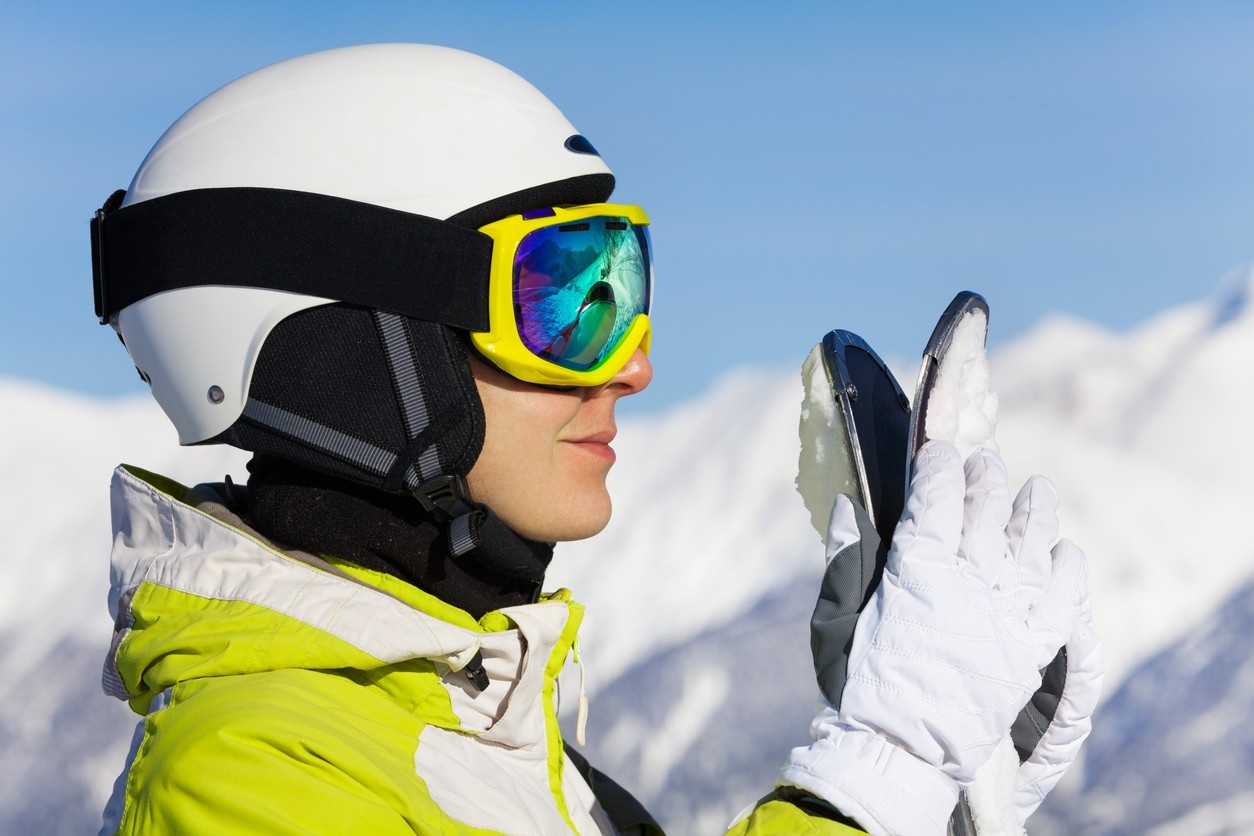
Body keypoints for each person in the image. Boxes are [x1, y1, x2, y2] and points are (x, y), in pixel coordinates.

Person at [90, 44, 1099, 835]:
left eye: (621, 286)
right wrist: (880, 774)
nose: (630, 366)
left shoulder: (489, 734)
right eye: (562, 300)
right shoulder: (242, 778)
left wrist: (947, 789)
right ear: (355, 359)